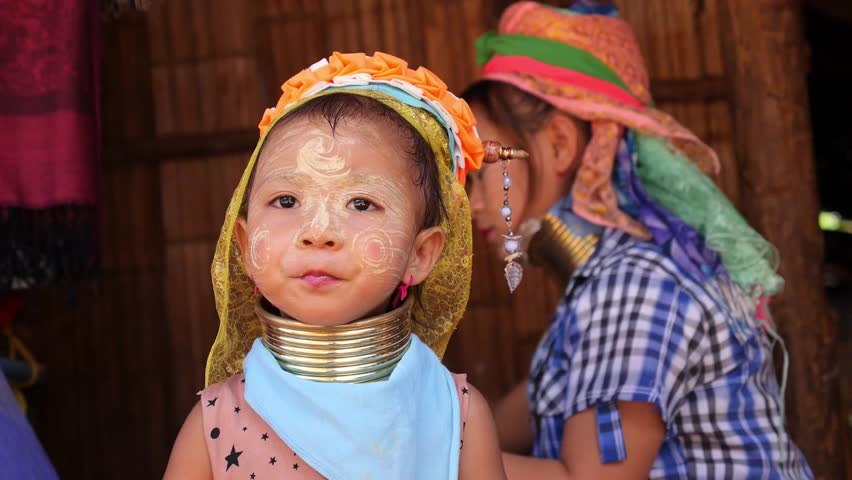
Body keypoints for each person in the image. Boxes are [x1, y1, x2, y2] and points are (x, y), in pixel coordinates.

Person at [463, 2, 814, 479]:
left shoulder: (634, 283)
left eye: (482, 170)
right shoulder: (607, 284)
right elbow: (521, 413)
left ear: (560, 145)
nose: (470, 203)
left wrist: (413, 463)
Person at [163, 52, 506, 480]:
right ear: (247, 245)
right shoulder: (217, 423)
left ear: (421, 255)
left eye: (361, 203)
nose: (319, 231)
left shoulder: (458, 416)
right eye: (286, 201)